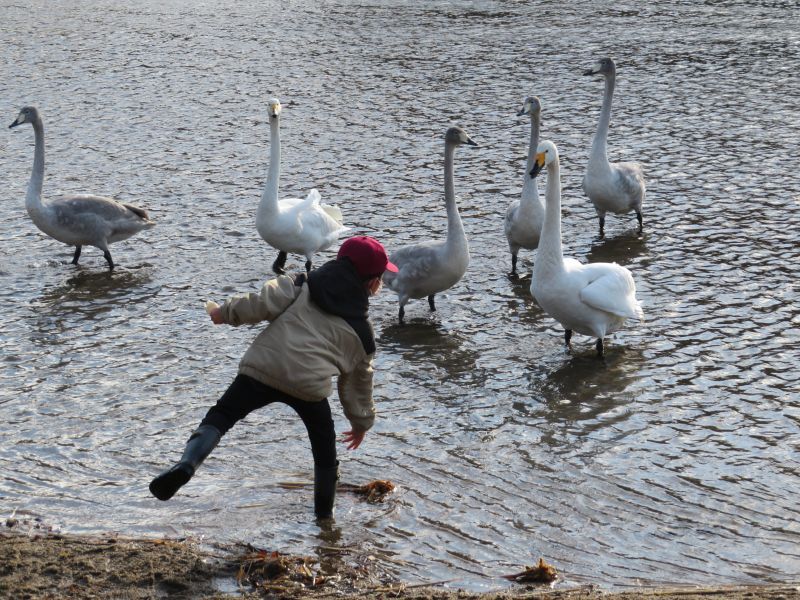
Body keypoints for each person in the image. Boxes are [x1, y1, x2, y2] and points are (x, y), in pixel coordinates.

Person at [149, 236, 398, 519]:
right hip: (309, 389)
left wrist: (225, 312)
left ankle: (187, 465)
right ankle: (325, 520)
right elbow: (358, 383)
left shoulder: (302, 283)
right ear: (372, 283)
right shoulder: (363, 333)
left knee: (221, 416)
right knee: (325, 451)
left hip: (263, 370)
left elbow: (261, 301)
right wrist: (361, 421)